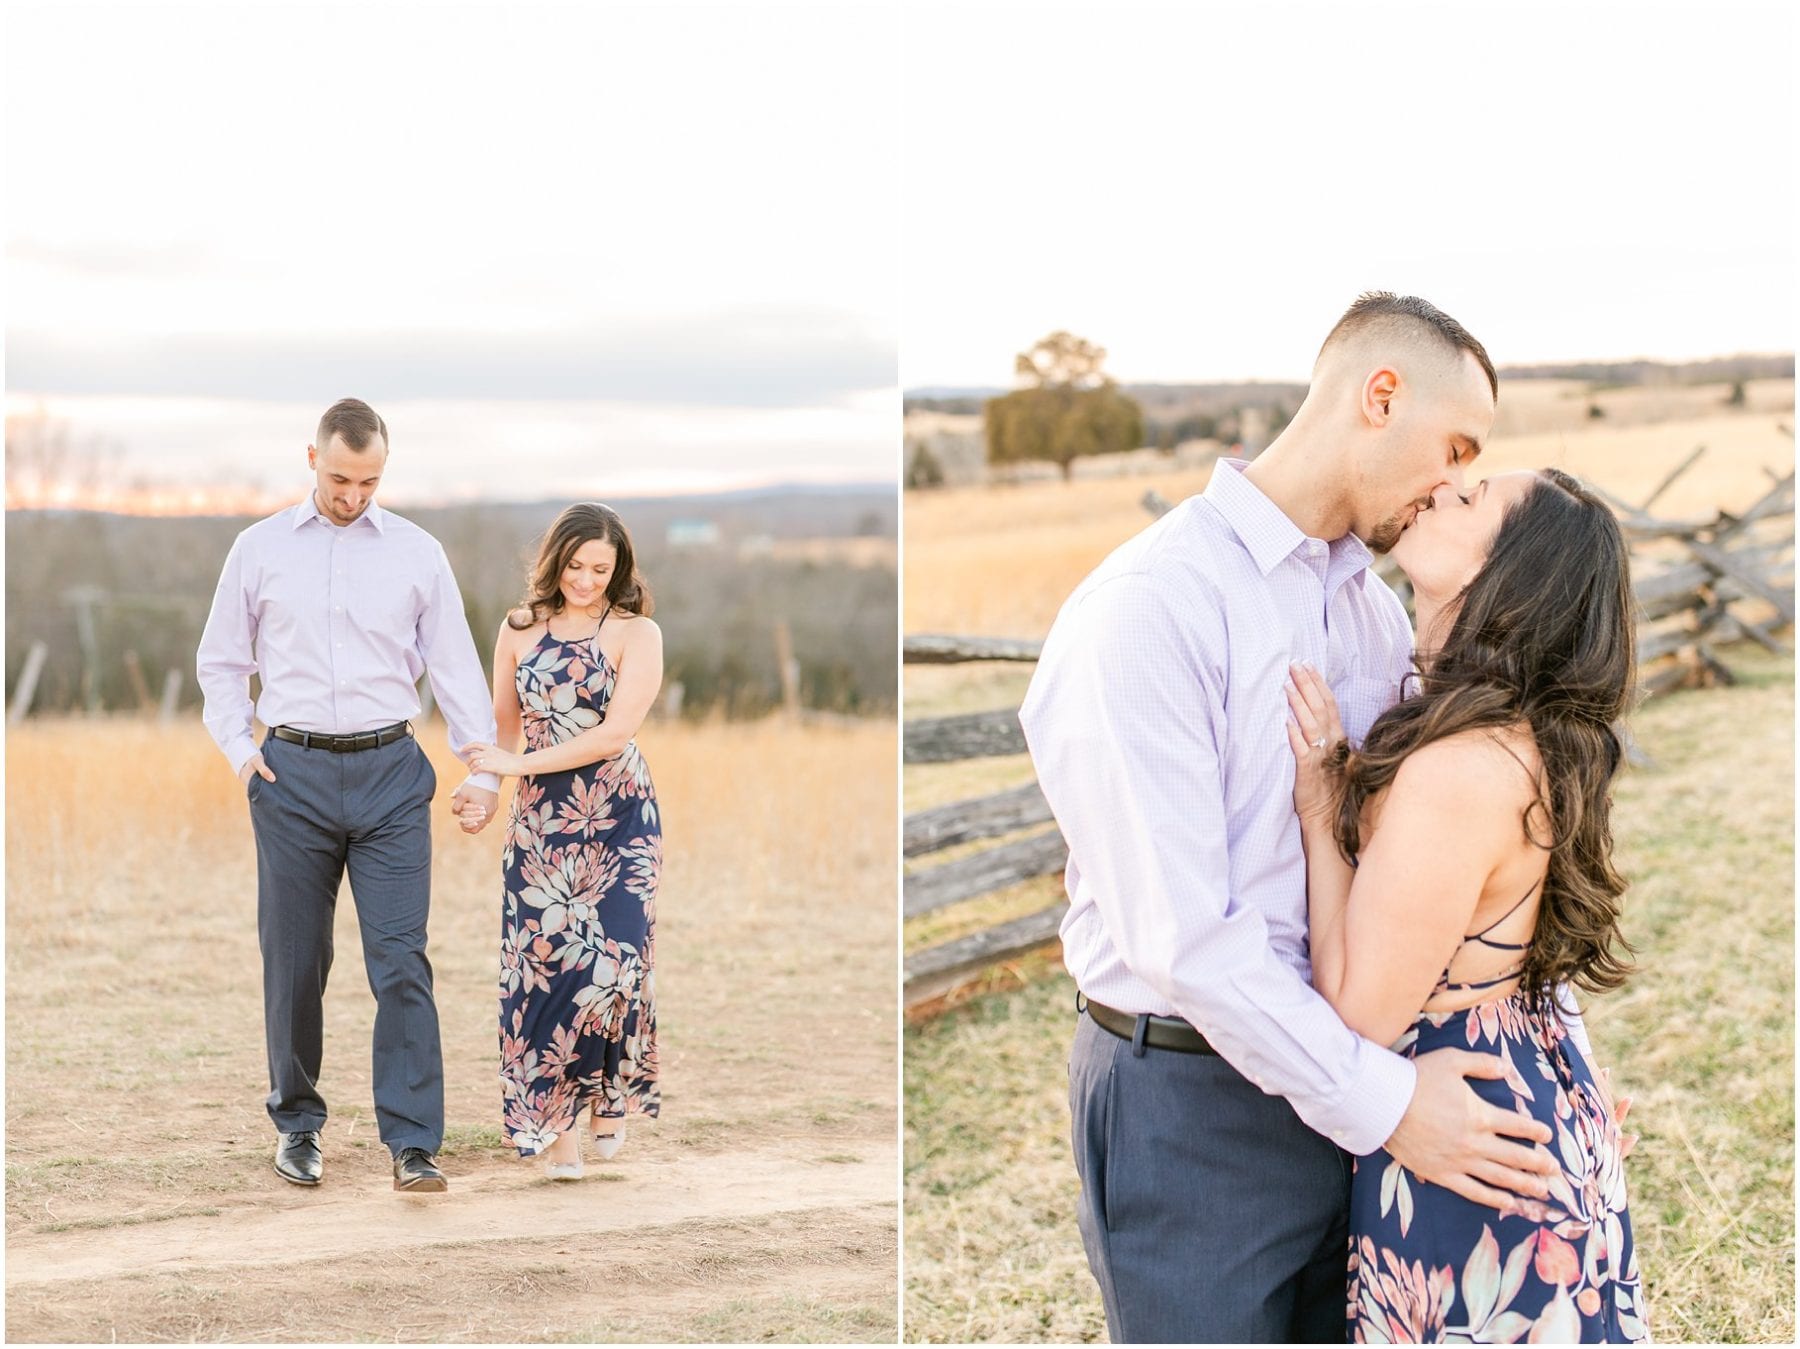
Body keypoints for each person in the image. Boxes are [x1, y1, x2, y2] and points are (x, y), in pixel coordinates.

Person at [1020, 294, 1583, 1342]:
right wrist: (1388, 1102)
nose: (1456, 482)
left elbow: (1435, 870)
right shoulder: (1151, 605)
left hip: (1359, 1079)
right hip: (1194, 1102)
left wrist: (1553, 1085)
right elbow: (1183, 939)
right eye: (1454, 446)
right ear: (1380, 396)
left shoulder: (1370, 608)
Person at [1284, 466, 1645, 1342]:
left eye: (1473, 497)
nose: (1441, 489)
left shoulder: (1461, 768)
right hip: (1517, 1100)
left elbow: (1356, 1011)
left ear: (1510, 573)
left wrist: (1320, 808)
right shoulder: (1511, 740)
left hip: (1465, 1134)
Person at [197, 397, 502, 1194]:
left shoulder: (417, 551)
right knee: (296, 960)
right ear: (311, 458)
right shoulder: (257, 549)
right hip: (289, 775)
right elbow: (221, 665)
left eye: (369, 481)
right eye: (340, 477)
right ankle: (297, 1125)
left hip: (392, 773)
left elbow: (455, 667)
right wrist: (241, 753)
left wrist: (484, 768)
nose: (353, 495)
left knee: (401, 959)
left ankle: (413, 1142)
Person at [463, 502, 663, 1179]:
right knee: (546, 971)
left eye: (600, 569)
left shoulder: (639, 633)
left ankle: (611, 1096)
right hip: (541, 823)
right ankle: (556, 1130)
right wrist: (486, 788)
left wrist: (512, 768)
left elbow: (613, 734)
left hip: (618, 816)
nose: (586, 579)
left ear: (619, 570)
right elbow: (502, 726)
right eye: (576, 565)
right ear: (556, 561)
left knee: (615, 963)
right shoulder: (519, 629)